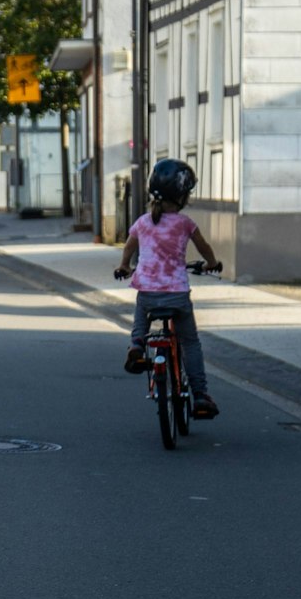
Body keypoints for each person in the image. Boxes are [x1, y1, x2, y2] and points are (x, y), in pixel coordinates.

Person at [113, 159, 223, 419]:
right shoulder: (185, 224)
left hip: (150, 295)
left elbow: (129, 247)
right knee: (190, 342)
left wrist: (124, 266)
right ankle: (200, 396)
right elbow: (204, 247)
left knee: (141, 306)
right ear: (182, 195)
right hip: (177, 295)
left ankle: (137, 346)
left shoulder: (142, 222)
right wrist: (212, 263)